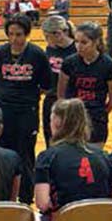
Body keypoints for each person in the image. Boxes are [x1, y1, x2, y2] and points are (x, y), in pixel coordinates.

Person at [0, 14, 51, 204]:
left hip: (26, 112)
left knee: (25, 155)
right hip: (2, 111)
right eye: (11, 34)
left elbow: (46, 83)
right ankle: (2, 194)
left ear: (27, 34)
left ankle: (25, 197)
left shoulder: (37, 54)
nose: (14, 38)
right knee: (1, 153)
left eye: (19, 34)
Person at [34, 99, 112, 221]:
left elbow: (42, 204)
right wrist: (106, 213)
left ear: (56, 122)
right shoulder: (103, 155)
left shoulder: (47, 157)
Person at [57, 22, 112, 148]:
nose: (78, 46)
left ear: (96, 42)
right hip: (73, 116)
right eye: (76, 41)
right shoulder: (69, 63)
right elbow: (61, 93)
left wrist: (101, 112)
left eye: (84, 42)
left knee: (94, 156)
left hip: (96, 118)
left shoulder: (109, 65)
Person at [41, 15, 76, 148]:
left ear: (59, 34)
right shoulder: (50, 49)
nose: (46, 40)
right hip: (51, 98)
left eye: (47, 36)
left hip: (70, 100)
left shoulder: (76, 49)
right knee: (50, 137)